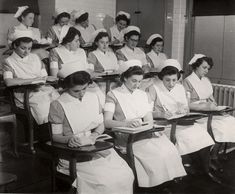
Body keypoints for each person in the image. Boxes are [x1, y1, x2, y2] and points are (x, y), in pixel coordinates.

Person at [104, 59, 186, 188]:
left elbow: (148, 119)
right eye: (134, 81)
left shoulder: (142, 94)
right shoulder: (112, 95)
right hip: (127, 136)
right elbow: (107, 122)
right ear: (124, 78)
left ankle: (164, 183)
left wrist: (149, 126)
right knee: (156, 155)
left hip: (144, 132)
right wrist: (126, 124)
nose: (137, 85)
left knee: (169, 149)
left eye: (140, 81)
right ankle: (152, 185)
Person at [49, 71, 134, 194]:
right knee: (103, 181)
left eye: (84, 88)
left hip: (94, 145)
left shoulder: (92, 97)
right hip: (72, 152)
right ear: (67, 88)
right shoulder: (57, 105)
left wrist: (95, 135)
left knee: (125, 173)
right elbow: (55, 137)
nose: (81, 94)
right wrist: (70, 139)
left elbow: (101, 123)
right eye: (76, 91)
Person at [147, 59, 214, 173]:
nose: (171, 84)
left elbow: (186, 107)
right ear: (161, 77)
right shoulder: (153, 89)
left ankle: (204, 168)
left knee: (203, 135)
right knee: (186, 138)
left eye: (174, 80)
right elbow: (147, 112)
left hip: (181, 122)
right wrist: (161, 114)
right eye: (167, 80)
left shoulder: (180, 88)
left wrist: (183, 110)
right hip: (165, 125)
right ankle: (182, 166)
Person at [2, 32, 59, 125]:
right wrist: (32, 81)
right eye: (23, 48)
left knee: (58, 101)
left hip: (42, 88)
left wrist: (48, 79)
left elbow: (44, 76)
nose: (27, 52)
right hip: (25, 93)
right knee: (43, 105)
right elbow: (9, 82)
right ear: (15, 46)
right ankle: (45, 132)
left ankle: (56, 132)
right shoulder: (8, 61)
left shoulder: (35, 57)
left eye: (29, 48)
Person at [183, 54, 235, 143]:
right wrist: (204, 107)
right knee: (220, 126)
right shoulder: (187, 81)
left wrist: (217, 108)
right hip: (197, 113)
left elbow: (211, 99)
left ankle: (216, 151)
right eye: (204, 67)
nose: (207, 71)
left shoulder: (206, 80)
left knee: (230, 120)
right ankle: (213, 152)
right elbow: (187, 104)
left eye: (208, 68)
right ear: (196, 66)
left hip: (209, 111)